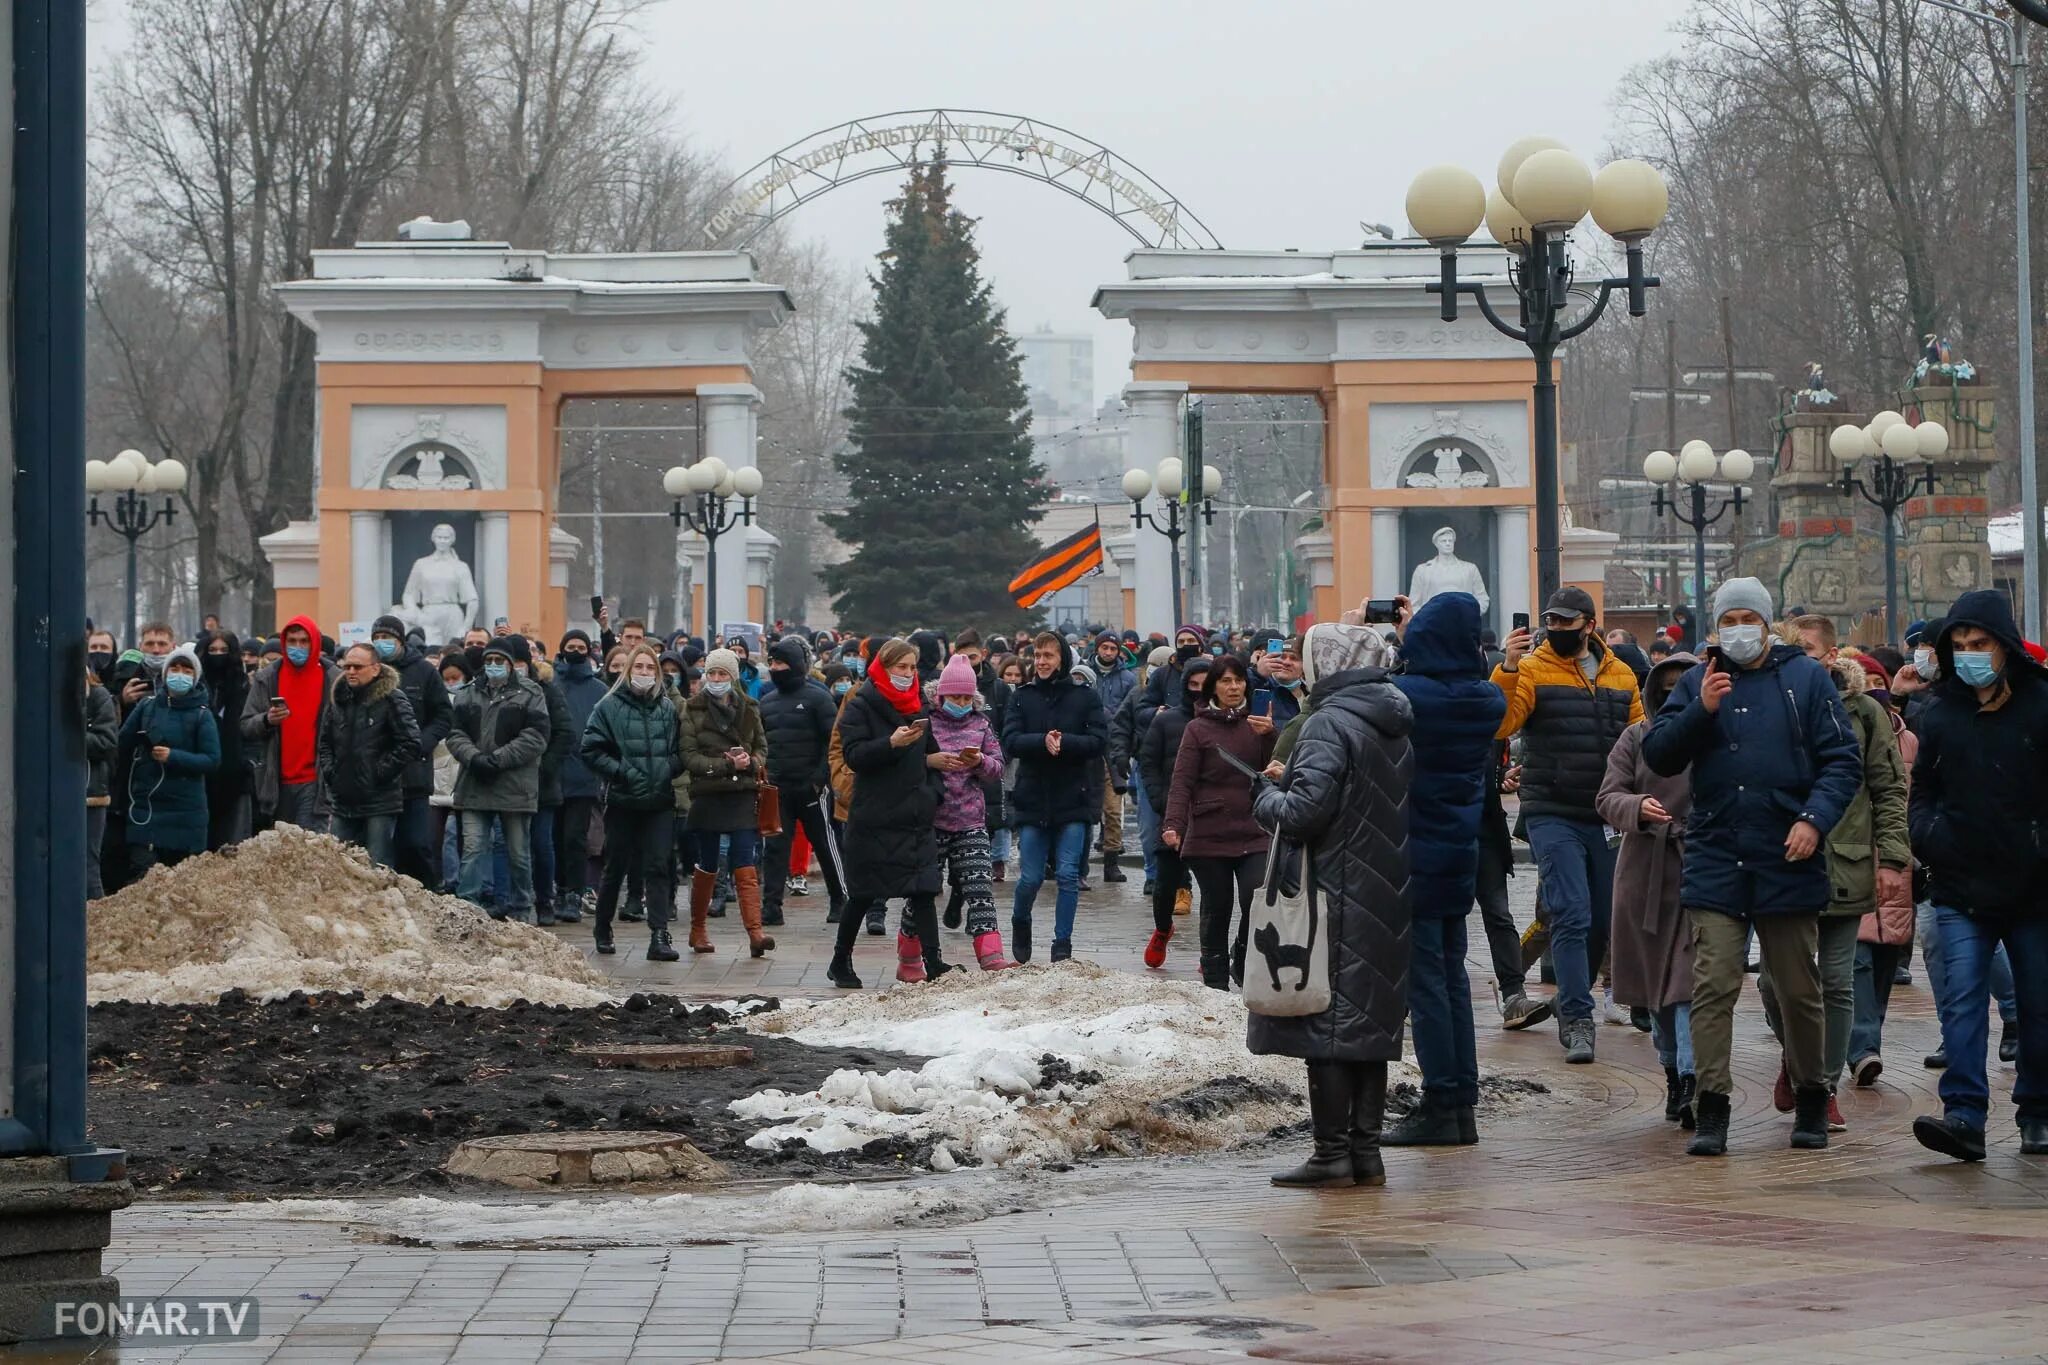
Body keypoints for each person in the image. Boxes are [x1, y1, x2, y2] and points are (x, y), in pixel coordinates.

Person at [1644, 578, 1861, 1156]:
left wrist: (1813, 820)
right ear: (1717, 627)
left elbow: (1842, 760)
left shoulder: (1806, 680)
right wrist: (1701, 710)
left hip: (1787, 855)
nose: (1739, 629)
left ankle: (1812, 1095)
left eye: (1749, 618)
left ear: (1767, 624)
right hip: (1717, 855)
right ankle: (1711, 1106)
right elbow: (1660, 751)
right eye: (1729, 619)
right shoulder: (1697, 681)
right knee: (1713, 985)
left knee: (1796, 988)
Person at [1250, 623, 1414, 1188]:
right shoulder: (1392, 721)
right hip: (1386, 891)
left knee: (1326, 1029)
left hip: (1334, 891)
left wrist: (1266, 795)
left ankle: (1330, 1153)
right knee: (1367, 1029)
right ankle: (1365, 1152)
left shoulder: (1327, 723)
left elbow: (1302, 814)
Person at [1906, 591, 2048, 1161]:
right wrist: (1930, 836)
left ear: (2003, 646)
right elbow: (1924, 791)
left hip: (2034, 888)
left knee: (2038, 1004)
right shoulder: (1939, 711)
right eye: (1959, 646)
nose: (1969, 655)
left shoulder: (2041, 704)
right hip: (1959, 885)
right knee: (1961, 1001)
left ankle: (2037, 1111)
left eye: (1979, 644)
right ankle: (1963, 1115)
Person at [1763, 617, 1908, 1131]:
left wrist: (1891, 858)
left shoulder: (1864, 711)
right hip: (1780, 862)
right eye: (1788, 649)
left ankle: (1819, 1086)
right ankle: (1795, 1056)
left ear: (1830, 656)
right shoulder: (1768, 702)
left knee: (1837, 980)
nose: (1796, 657)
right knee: (1775, 984)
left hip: (1843, 862)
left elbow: (1889, 790)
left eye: (1806, 649)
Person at [1493, 586, 1644, 1063]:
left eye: (1565, 623)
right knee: (1571, 912)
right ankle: (1579, 1020)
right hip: (1551, 810)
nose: (1556, 630)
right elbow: (1502, 724)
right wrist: (1509, 668)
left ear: (1588, 626)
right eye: (1551, 623)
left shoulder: (1622, 675)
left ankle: (1570, 998)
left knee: (1603, 920)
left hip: (1606, 815)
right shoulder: (1534, 668)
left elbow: (1641, 739)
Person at [1381, 592, 1506, 1146]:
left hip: (1414, 856)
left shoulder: (1410, 697)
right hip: (1458, 853)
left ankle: (1440, 1102)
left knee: (1425, 984)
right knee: (1451, 980)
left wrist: (1384, 635)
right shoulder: (1485, 699)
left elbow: (1361, 688)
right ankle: (1460, 1103)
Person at [1597, 651, 1700, 1130]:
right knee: (1654, 990)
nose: (1672, 692)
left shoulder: (1714, 737)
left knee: (1687, 983)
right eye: (1667, 684)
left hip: (1699, 867)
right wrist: (1638, 807)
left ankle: (1691, 1077)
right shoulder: (1635, 737)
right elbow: (1608, 795)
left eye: (1685, 683)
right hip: (1643, 871)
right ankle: (1672, 1070)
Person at [828, 639, 955, 988]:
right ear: (884, 668)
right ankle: (840, 961)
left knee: (924, 889)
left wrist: (934, 784)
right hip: (876, 816)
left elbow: (929, 753)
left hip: (914, 815)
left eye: (912, 668)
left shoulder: (918, 704)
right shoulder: (861, 703)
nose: (907, 674)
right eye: (901, 667)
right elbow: (853, 755)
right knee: (863, 893)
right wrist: (890, 744)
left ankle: (934, 962)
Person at [1163, 653, 1278, 990]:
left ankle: (1242, 953)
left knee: (1255, 898)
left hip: (1254, 827)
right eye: (1225, 680)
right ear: (1213, 686)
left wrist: (1271, 734)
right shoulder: (1197, 729)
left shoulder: (1259, 723)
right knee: (1217, 905)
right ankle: (1214, 978)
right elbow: (1182, 781)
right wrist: (1173, 824)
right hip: (1209, 831)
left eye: (1238, 680)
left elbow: (1279, 766)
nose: (1233, 686)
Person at [1006, 632, 1109, 964]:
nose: (1041, 661)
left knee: (1067, 874)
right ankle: (1020, 920)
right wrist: (1041, 741)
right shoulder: (1023, 696)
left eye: (1048, 655)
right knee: (1031, 878)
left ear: (1062, 658)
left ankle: (1062, 943)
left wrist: (1065, 742)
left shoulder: (1084, 697)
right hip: (1033, 796)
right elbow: (1010, 739)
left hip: (1072, 797)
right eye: (1037, 655)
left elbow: (1098, 741)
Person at [580, 643, 685, 959]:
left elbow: (681, 750)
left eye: (650, 668)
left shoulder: (667, 709)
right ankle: (602, 926)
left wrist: (668, 769)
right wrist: (621, 771)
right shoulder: (608, 706)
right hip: (624, 799)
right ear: (628, 672)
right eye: (638, 667)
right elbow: (590, 749)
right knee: (616, 867)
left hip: (659, 801)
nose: (644, 673)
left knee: (658, 866)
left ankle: (659, 934)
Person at [445, 637, 552, 922]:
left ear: (510, 663)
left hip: (515, 786)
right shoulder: (468, 694)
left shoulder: (530, 693)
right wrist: (474, 758)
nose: (493, 666)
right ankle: (468, 906)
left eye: (499, 661)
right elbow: (455, 734)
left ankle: (521, 908)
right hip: (475, 783)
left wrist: (499, 759)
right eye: (489, 661)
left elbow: (536, 737)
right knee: (472, 848)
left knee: (518, 852)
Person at [680, 648, 774, 956]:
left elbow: (762, 745)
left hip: (743, 794)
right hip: (708, 795)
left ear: (732, 677)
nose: (717, 679)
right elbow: (689, 757)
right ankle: (698, 930)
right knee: (708, 863)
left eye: (723, 674)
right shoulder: (692, 709)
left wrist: (751, 762)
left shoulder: (749, 707)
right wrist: (724, 764)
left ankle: (755, 932)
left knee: (745, 860)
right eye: (712, 673)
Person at [929, 654, 1013, 970]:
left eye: (966, 697)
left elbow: (998, 766)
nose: (961, 702)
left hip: (970, 820)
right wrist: (932, 762)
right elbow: (910, 763)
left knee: (981, 890)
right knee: (923, 892)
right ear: (941, 696)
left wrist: (979, 762)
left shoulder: (981, 724)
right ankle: (910, 956)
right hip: (933, 819)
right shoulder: (928, 722)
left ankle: (991, 955)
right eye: (955, 697)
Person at [760, 636, 849, 927]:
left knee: (825, 844)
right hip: (778, 787)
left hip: (811, 787)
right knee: (775, 848)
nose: (775, 668)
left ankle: (840, 898)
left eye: (781, 662)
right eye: (772, 662)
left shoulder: (818, 697)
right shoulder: (767, 702)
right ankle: (771, 905)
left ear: (796, 665)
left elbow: (833, 742)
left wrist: (819, 778)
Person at [317, 642, 423, 868]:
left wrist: (380, 772)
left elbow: (411, 742)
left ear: (375, 668)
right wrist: (331, 771)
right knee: (337, 864)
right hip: (343, 798)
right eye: (347, 667)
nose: (351, 672)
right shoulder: (338, 698)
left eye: (357, 667)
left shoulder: (392, 698)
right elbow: (325, 742)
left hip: (379, 800)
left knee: (377, 866)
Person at [118, 644, 220, 872]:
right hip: (147, 809)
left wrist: (174, 757)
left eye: (187, 670)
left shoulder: (202, 715)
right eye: (175, 668)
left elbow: (212, 760)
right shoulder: (147, 706)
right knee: (142, 876)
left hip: (186, 813)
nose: (180, 674)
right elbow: (121, 742)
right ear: (165, 674)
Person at [1138, 657, 1212, 970]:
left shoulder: (1222, 722)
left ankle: (1211, 948)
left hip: (1211, 817)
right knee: (1164, 885)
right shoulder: (1166, 721)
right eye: (1192, 685)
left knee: (1213, 889)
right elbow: (1148, 762)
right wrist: (1161, 801)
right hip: (1173, 814)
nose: (1198, 692)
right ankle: (1163, 928)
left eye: (1204, 686)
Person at [371, 614, 454, 890]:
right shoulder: (369, 669)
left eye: (388, 638)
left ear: (401, 640)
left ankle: (427, 892)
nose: (382, 643)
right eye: (377, 638)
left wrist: (421, 743)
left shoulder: (423, 671)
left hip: (414, 774)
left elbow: (443, 715)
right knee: (380, 847)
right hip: (378, 774)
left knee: (417, 843)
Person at [241, 616, 337, 831]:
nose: (297, 647)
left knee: (309, 849)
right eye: (292, 641)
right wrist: (267, 720)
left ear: (315, 643)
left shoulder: (333, 679)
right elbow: (246, 724)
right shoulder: (267, 678)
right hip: (276, 782)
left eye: (304, 641)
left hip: (316, 782)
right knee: (281, 853)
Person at [552, 630, 607, 920]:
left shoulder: (598, 689)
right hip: (552, 774)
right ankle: (558, 890)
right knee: (553, 837)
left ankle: (573, 893)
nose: (575, 650)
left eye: (580, 646)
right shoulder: (551, 684)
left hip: (584, 776)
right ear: (561, 650)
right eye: (570, 646)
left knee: (575, 838)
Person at [197, 630, 251, 850]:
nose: (218, 655)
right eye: (212, 650)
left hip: (235, 771)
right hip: (203, 771)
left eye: (223, 650)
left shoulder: (244, 686)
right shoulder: (198, 686)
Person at [1090, 631, 1136, 884]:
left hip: (1115, 750)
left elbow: (1129, 712)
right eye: (1104, 647)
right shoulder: (1084, 675)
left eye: (1113, 648)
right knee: (1087, 809)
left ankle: (1112, 861)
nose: (1108, 652)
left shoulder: (1128, 678)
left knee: (1113, 809)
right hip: (1087, 748)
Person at [84, 666, 119, 898]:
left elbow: (107, 742)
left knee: (87, 865)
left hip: (91, 794)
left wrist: (65, 735)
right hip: (49, 794)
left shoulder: (97, 696)